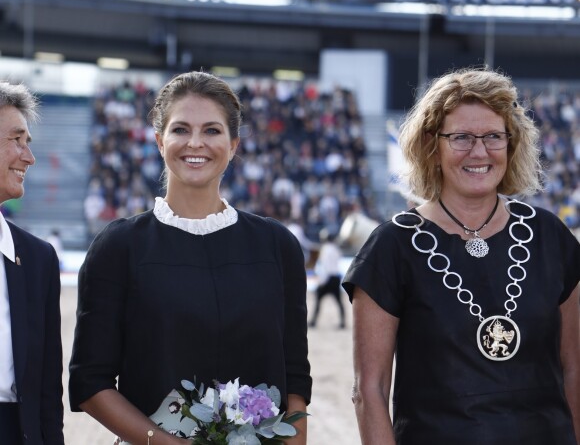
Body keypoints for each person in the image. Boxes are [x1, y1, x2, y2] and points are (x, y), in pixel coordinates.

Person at [69, 71, 312, 445]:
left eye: (212, 131)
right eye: (180, 129)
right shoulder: (119, 246)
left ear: (233, 144)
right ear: (158, 141)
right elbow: (90, 382)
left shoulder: (277, 246)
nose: (195, 142)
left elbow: (295, 376)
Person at [343, 67, 580, 444]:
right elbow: (369, 391)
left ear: (511, 143)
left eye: (493, 137)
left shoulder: (550, 237)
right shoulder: (392, 247)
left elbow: (575, 371)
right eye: (461, 138)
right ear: (431, 147)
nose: (479, 151)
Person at [0, 81, 64, 444]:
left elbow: (46, 400)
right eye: (17, 140)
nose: (29, 157)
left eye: (29, 143)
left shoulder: (40, 260)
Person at [309, 228, 346, 329]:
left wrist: (322, 281)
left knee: (318, 299)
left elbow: (325, 267)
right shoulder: (336, 249)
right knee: (339, 301)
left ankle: (313, 321)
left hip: (327, 278)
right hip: (335, 278)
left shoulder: (325, 249)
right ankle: (343, 322)